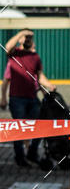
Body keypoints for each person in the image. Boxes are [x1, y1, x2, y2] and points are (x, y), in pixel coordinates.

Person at [0, 29, 55, 167]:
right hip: (17, 99)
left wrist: (50, 87)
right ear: (20, 39)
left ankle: (32, 152)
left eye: (30, 37)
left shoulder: (35, 57)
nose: (28, 39)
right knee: (19, 129)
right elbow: (7, 47)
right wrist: (21, 34)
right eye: (26, 37)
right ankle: (20, 158)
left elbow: (39, 77)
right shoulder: (14, 54)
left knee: (39, 126)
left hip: (32, 97)